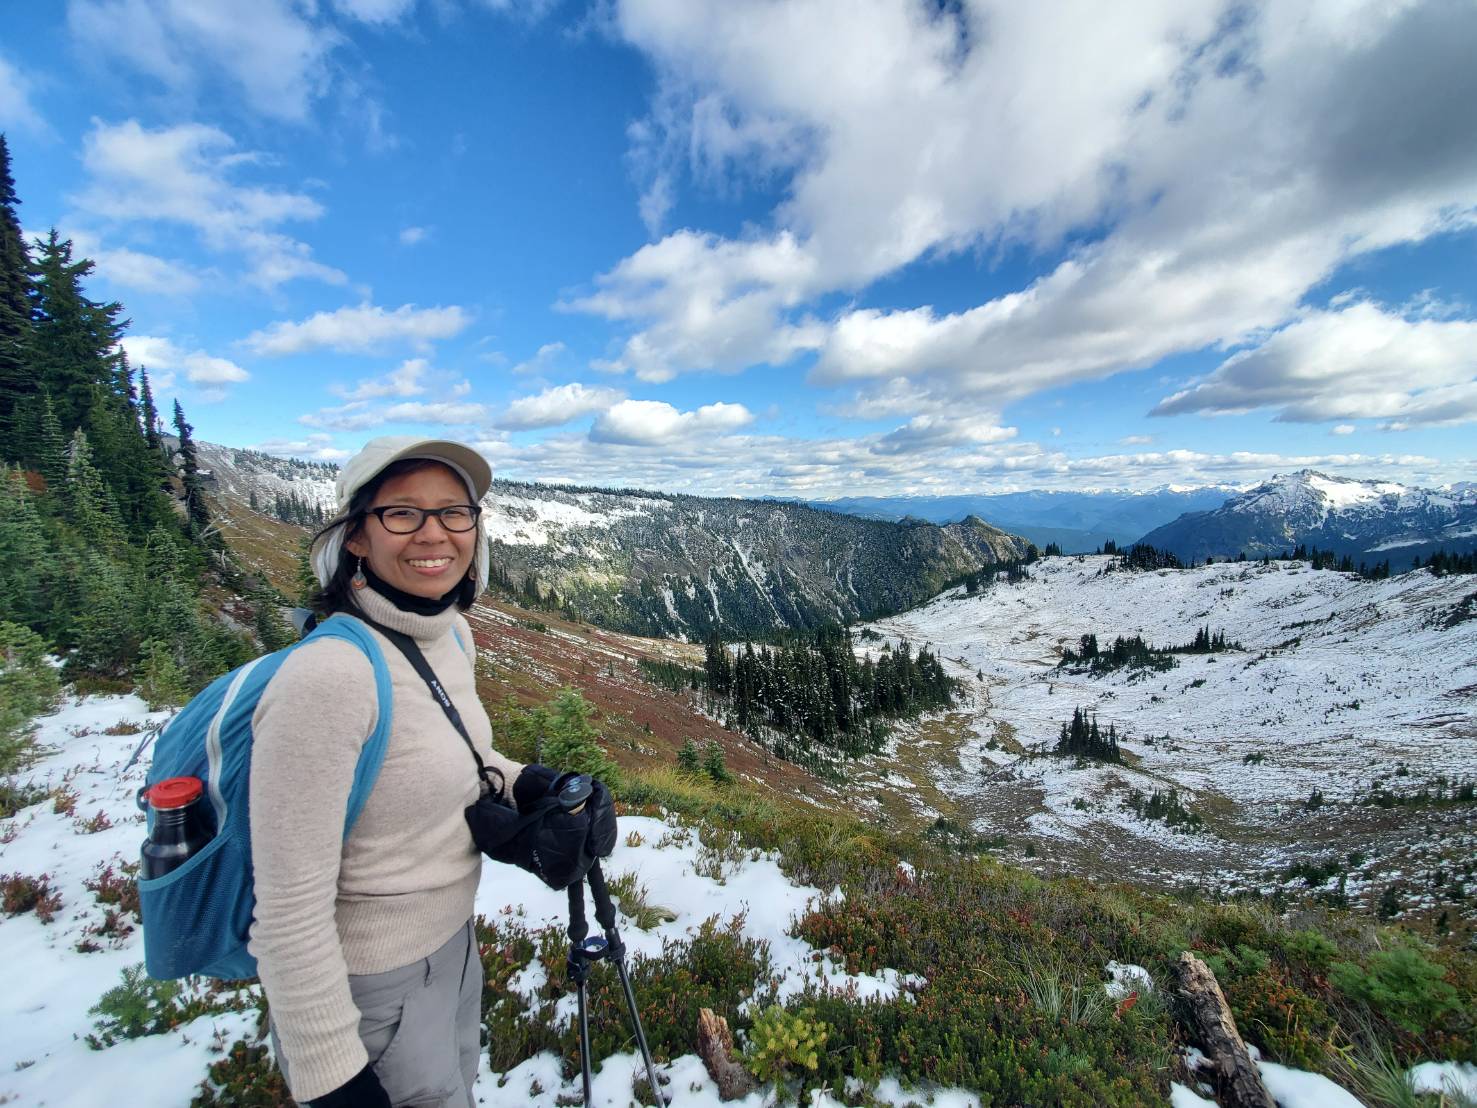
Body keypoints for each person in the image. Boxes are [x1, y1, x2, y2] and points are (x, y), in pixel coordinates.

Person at [248, 436, 524, 1108]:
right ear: (356, 539)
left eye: (454, 513)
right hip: (372, 988)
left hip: (452, 951)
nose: (434, 534)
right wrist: (332, 1076)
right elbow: (286, 911)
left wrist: (529, 785)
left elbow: (453, 756)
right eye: (402, 513)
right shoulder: (326, 678)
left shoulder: (449, 632)